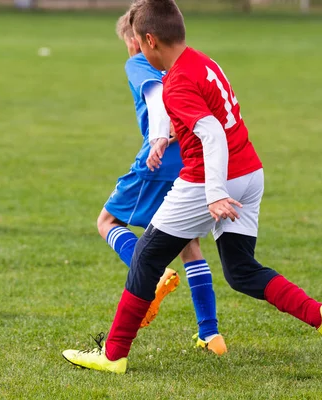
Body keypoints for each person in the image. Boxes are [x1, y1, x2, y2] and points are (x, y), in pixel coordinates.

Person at [62, 0, 322, 374]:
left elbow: (211, 132)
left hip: (210, 179)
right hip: (249, 171)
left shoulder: (177, 80)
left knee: (148, 256)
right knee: (241, 270)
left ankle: (114, 355)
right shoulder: (204, 62)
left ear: (149, 40)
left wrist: (214, 192)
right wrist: (164, 137)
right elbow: (210, 118)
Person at [94, 13, 225, 354]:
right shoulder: (180, 62)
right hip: (191, 162)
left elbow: (155, 98)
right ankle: (211, 335)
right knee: (188, 243)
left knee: (107, 221)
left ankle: (157, 274)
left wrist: (157, 138)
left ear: (138, 39)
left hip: (157, 160)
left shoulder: (138, 62)